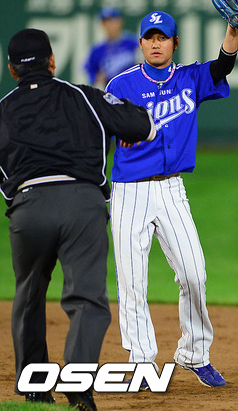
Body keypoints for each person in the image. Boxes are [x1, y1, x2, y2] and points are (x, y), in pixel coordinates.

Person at [0, 28, 156, 410]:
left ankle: (35, 390)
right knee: (88, 299)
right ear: (53, 62)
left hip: (29, 209)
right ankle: (79, 388)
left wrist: (16, 193)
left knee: (28, 296)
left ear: (12, 69)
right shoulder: (84, 96)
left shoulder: (3, 108)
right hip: (82, 207)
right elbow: (143, 125)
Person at [105, 5, 238, 388]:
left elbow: (223, 65)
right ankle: (141, 362)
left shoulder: (190, 78)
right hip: (130, 192)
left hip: (172, 189)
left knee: (194, 273)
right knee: (132, 283)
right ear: (141, 44)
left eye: (162, 38)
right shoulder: (120, 86)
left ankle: (193, 354)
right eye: (149, 38)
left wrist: (232, 29)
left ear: (175, 43)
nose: (155, 44)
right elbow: (101, 134)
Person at [84, 7, 140, 88]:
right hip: (111, 91)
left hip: (133, 87)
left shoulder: (133, 42)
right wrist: (97, 78)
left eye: (112, 21)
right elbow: (91, 72)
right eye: (106, 22)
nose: (109, 25)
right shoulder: (97, 50)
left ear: (120, 21)